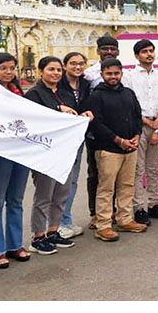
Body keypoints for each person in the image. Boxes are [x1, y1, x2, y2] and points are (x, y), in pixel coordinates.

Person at [24, 56, 94, 254]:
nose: (55, 73)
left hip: (66, 150)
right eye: (50, 69)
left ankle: (53, 231)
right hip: (45, 152)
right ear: (41, 72)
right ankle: (38, 237)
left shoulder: (65, 92)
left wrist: (85, 114)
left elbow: (75, 112)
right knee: (44, 195)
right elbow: (33, 117)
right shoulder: (34, 94)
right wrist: (57, 109)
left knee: (61, 193)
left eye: (58, 70)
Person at [86, 59, 148, 241]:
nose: (113, 77)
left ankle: (124, 219)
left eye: (116, 73)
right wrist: (118, 140)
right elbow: (96, 124)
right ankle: (103, 225)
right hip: (108, 149)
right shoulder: (96, 96)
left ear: (121, 74)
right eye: (109, 74)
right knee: (106, 188)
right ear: (102, 75)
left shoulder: (128, 93)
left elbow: (137, 116)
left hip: (130, 148)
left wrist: (137, 135)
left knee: (127, 186)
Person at [0, 53, 31, 268]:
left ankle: (15, 244)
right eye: (4, 68)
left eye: (12, 68)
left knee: (16, 200)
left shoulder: (17, 91)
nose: (9, 72)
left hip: (20, 150)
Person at [122, 39, 158, 226]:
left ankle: (154, 204)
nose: (149, 54)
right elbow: (130, 103)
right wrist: (147, 122)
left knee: (153, 168)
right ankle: (139, 208)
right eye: (145, 51)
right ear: (137, 55)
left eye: (151, 51)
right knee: (138, 169)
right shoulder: (129, 76)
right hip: (137, 126)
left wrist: (157, 124)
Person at [83, 36, 120, 220]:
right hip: (96, 133)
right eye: (105, 48)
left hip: (118, 132)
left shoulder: (122, 73)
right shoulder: (89, 75)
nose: (109, 52)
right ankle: (95, 214)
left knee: (116, 175)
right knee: (96, 174)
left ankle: (114, 212)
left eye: (113, 48)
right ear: (98, 51)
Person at [59, 52, 91, 239]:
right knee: (60, 181)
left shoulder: (85, 85)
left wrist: (87, 112)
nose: (77, 67)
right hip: (61, 139)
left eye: (81, 64)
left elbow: (88, 105)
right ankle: (55, 223)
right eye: (73, 64)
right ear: (65, 65)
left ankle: (66, 219)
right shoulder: (57, 85)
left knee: (72, 180)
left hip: (78, 137)